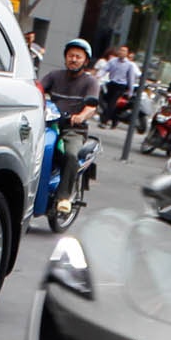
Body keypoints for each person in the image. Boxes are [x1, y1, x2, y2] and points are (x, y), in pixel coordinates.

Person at [39, 38, 101, 216]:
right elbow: (39, 90)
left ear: (85, 61)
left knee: (71, 154)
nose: (73, 59)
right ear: (65, 58)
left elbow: (91, 106)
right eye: (70, 55)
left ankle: (63, 197)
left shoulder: (91, 82)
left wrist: (81, 116)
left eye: (78, 57)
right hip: (51, 124)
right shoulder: (54, 76)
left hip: (73, 129)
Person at [99, 43, 140, 128]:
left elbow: (131, 78)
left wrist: (130, 91)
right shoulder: (112, 61)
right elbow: (104, 69)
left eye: (124, 51)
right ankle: (115, 119)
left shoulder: (129, 65)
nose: (122, 52)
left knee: (112, 103)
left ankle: (104, 121)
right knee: (105, 101)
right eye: (121, 50)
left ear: (127, 53)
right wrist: (98, 76)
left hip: (121, 86)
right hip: (111, 84)